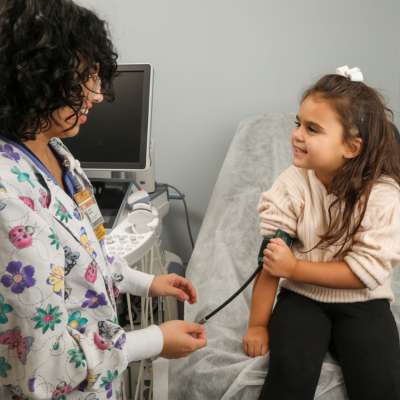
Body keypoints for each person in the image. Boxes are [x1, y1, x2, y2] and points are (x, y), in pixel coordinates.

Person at [0, 1, 206, 399]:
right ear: (34, 77)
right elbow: (46, 366)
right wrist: (154, 340)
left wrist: (146, 283)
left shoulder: (57, 153)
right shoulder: (9, 196)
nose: (97, 95)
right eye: (84, 80)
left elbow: (87, 255)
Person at [243, 66, 400, 400]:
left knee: (381, 381)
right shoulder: (292, 184)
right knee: (289, 376)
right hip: (302, 298)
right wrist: (257, 324)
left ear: (352, 147)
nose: (298, 135)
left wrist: (294, 268)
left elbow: (363, 273)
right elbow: (270, 264)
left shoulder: (383, 196)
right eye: (298, 123)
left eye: (312, 129)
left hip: (364, 302)